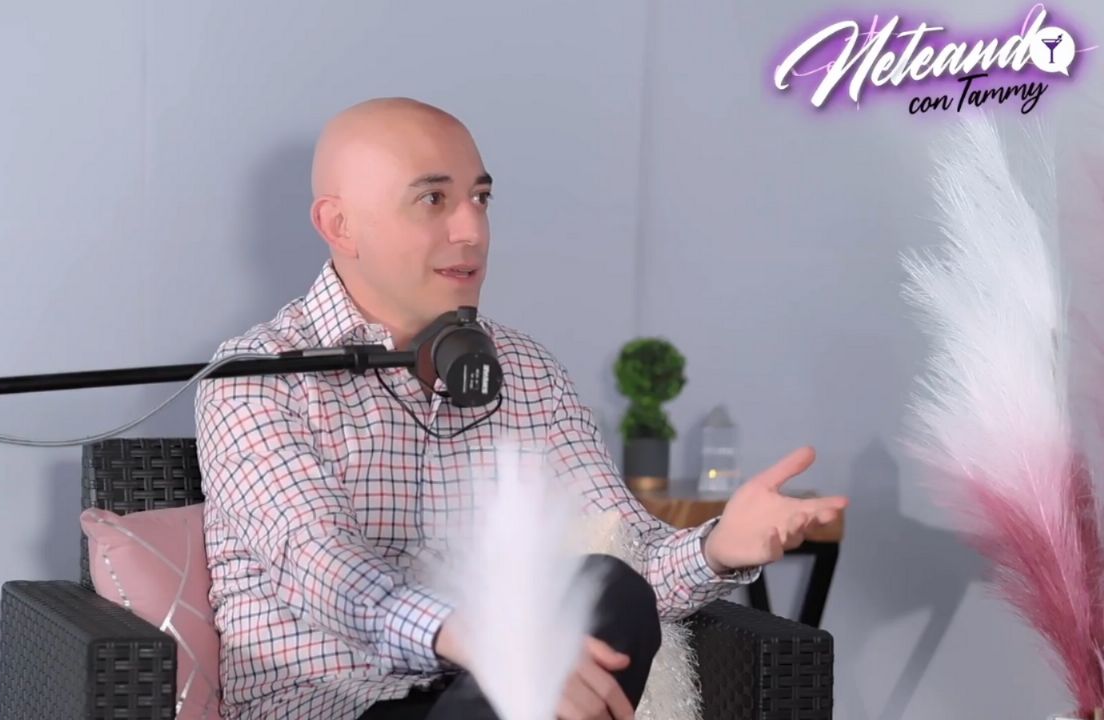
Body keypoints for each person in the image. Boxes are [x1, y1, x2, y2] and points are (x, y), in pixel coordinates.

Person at [194, 97, 848, 720]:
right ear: (340, 225)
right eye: (433, 199)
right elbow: (323, 568)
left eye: (480, 198)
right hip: (341, 707)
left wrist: (719, 549)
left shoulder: (527, 370)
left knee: (607, 586)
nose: (471, 230)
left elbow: (634, 562)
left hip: (498, 698)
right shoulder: (255, 378)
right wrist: (479, 636)